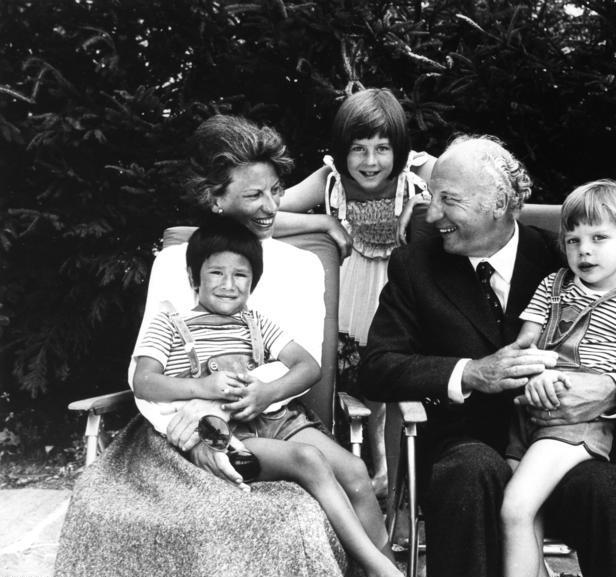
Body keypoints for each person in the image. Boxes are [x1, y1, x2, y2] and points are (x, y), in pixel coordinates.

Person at [55, 115, 383, 577]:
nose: (270, 207)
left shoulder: (302, 266)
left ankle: (383, 569)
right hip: (186, 421)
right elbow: (145, 371)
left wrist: (235, 396)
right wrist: (195, 407)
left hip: (270, 411)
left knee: (353, 475)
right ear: (216, 199)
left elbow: (300, 360)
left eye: (276, 191)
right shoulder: (175, 264)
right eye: (253, 195)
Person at [360, 135, 616, 577]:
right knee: (471, 471)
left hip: (558, 442)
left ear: (499, 203)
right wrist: (470, 372)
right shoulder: (415, 265)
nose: (433, 213)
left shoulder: (567, 257)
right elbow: (376, 369)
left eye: (449, 200)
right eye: (431, 197)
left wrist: (614, 388)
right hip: (462, 446)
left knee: (607, 485)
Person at [132, 217, 401, 577]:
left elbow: (307, 366)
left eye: (240, 275)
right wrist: (202, 388)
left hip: (276, 419)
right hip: (229, 437)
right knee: (308, 459)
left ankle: (393, 566)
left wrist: (267, 391)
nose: (228, 285)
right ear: (195, 277)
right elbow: (144, 381)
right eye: (216, 273)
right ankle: (378, 567)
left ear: (252, 282)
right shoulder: (170, 322)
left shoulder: (255, 322)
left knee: (354, 470)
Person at [501, 180, 616, 577]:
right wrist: (536, 368)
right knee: (528, 516)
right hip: (527, 416)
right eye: (572, 240)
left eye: (599, 237)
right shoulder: (551, 287)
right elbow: (524, 345)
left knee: (515, 507)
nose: (584, 250)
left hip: (578, 425)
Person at [276, 88, 436, 497]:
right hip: (346, 294)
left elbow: (472, 198)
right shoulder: (330, 180)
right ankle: (348, 478)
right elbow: (263, 213)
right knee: (348, 386)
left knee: (397, 388)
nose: (370, 161)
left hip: (400, 295)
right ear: (341, 149)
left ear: (400, 147)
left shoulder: (421, 171)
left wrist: (420, 208)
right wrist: (321, 225)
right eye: (358, 149)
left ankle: (395, 485)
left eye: (382, 148)